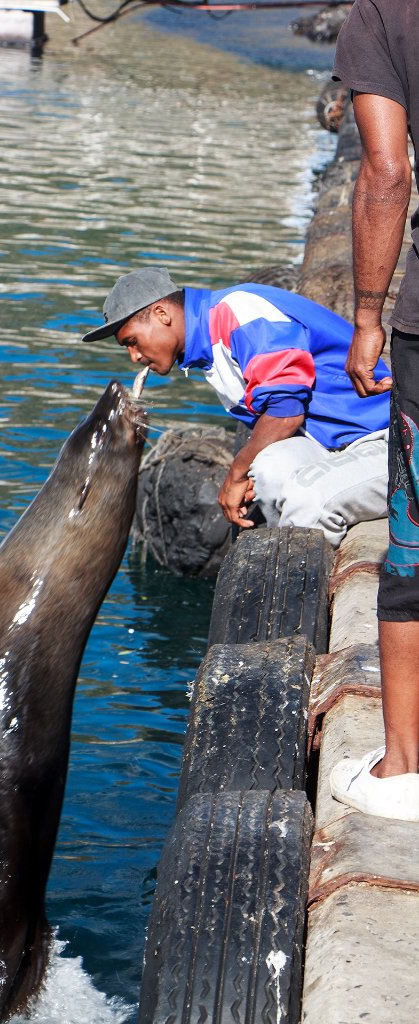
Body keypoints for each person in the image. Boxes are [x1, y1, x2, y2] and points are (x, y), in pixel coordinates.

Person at [81, 266, 390, 549]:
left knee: (307, 499)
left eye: (132, 341)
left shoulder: (239, 310)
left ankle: (297, 592)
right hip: (332, 444)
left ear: (162, 313)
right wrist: (248, 472)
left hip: (389, 439)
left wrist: (236, 473)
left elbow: (286, 410)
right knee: (268, 473)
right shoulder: (207, 352)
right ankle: (285, 558)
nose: (134, 356)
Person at [326, 0, 419, 821]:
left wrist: (364, 315)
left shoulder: (380, 16)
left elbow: (385, 173)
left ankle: (402, 766)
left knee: (413, 539)